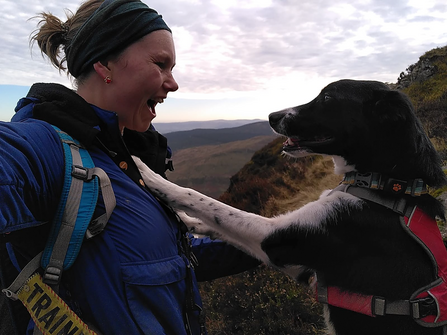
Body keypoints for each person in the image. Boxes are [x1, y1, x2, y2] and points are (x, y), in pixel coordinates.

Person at [0, 0, 259, 334]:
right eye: (161, 64)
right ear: (105, 64)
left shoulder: (130, 164)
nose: (173, 83)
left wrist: (276, 244)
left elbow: (168, 257)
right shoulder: (46, 149)